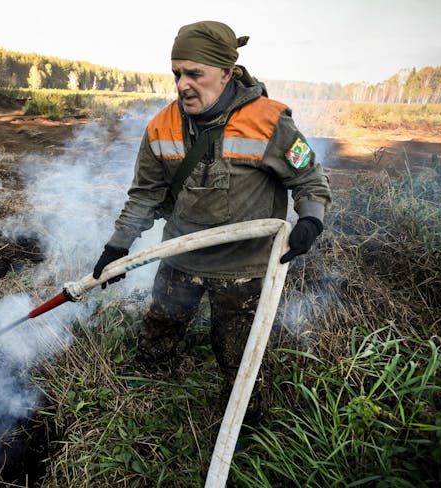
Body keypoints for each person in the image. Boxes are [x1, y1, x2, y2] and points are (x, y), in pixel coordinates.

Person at [92, 21, 331, 424]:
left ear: (226, 72)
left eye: (194, 74)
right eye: (177, 74)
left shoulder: (270, 122)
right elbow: (145, 196)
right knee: (159, 334)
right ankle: (144, 404)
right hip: (180, 257)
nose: (182, 84)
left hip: (245, 268)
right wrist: (116, 247)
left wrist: (310, 219)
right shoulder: (161, 127)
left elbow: (308, 177)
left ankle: (247, 427)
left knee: (240, 357)